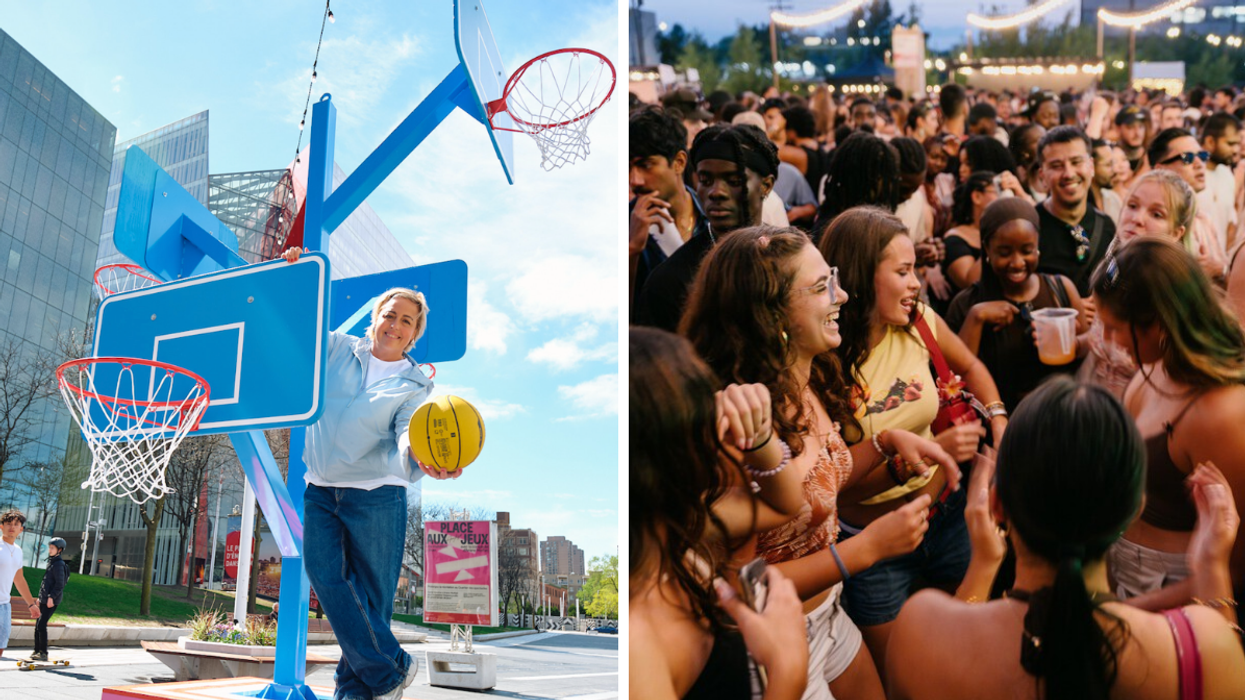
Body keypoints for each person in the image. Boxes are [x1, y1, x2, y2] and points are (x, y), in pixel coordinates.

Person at [681, 226, 956, 699]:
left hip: (831, 614)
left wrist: (888, 444)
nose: (843, 295)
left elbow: (825, 476)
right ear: (770, 315)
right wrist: (865, 550)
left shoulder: (804, 383)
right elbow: (737, 583)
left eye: (832, 277)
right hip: (776, 643)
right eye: (820, 287)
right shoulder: (742, 425)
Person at [886, 377, 1245, 700]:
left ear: (996, 505)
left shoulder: (920, 633)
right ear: (1135, 508)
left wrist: (984, 562)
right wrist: (1213, 569)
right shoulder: (1199, 650)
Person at [817, 207, 1008, 674]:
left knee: (972, 652)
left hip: (948, 517)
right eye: (902, 272)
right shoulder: (823, 360)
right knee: (906, 675)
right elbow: (829, 487)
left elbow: (973, 369)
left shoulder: (920, 322)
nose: (916, 284)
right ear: (862, 277)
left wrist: (999, 422)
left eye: (915, 271)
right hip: (872, 544)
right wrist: (915, 459)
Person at [283, 248, 458, 700]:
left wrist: (422, 458)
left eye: (406, 321)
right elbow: (301, 325)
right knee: (328, 578)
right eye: (389, 314)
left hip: (377, 495)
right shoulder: (338, 348)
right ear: (376, 317)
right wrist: (296, 275)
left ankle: (356, 691)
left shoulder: (416, 384)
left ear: (414, 334)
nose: (394, 325)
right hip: (321, 488)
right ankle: (393, 668)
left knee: (368, 605)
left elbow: (407, 430)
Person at [630, 327, 810, 700]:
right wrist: (788, 673)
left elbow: (784, 506)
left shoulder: (675, 537)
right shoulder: (637, 648)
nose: (721, 405)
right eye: (701, 400)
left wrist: (760, 439)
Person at [1090, 238, 1245, 610]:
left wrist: (1126, 614)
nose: (1107, 341)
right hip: (1122, 575)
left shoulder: (1221, 414)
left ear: (1157, 324)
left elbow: (1236, 568)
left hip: (1177, 595)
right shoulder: (1152, 368)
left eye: (1115, 328)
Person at [946, 198, 1087, 411]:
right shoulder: (967, 305)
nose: (1017, 262)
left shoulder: (1060, 289)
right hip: (1001, 426)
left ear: (1038, 246)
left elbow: (1092, 348)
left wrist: (1073, 342)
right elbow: (951, 379)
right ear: (987, 249)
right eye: (1004, 253)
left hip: (1061, 417)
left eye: (1027, 250)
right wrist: (976, 318)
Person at [635, 123, 778, 332]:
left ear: (766, 185)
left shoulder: (790, 255)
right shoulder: (671, 280)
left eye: (733, 180)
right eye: (705, 180)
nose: (716, 192)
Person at [629, 106, 708, 316]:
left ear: (679, 162)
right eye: (627, 168)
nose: (634, 180)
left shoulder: (712, 215)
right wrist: (631, 250)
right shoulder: (624, 224)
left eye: (645, 165)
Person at [1033, 126, 1116, 296]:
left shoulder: (1107, 226)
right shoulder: (1030, 226)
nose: (1069, 173)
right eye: (1056, 166)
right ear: (1042, 176)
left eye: (1076, 162)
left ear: (1091, 166)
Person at [1149, 127, 1228, 280]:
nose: (1199, 164)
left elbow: (1224, 272)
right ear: (1160, 169)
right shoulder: (1150, 223)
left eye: (1202, 155)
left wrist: (1221, 270)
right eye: (1188, 158)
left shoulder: (1204, 220)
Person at [941, 172, 999, 296]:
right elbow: (969, 283)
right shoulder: (954, 238)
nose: (1003, 197)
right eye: (997, 191)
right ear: (977, 196)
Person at [1198, 112, 1241, 255]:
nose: (1235, 150)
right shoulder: (1191, 174)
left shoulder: (1226, 173)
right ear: (1210, 141)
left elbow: (1230, 224)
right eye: (1230, 144)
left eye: (1237, 144)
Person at [0, 510, 39, 660]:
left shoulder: (18, 551)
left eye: (16, 524)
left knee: (1, 644)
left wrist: (31, 604)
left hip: (4, 605)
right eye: (8, 523)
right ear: (1, 526)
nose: (12, 527)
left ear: (21, 529)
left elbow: (19, 579)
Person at [30, 537, 69, 663]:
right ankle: (37, 651)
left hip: (51, 601)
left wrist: (51, 597)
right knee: (38, 625)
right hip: (44, 599)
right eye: (50, 547)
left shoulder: (58, 564)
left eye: (52, 548)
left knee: (41, 624)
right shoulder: (52, 562)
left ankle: (43, 653)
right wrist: (39, 598)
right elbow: (46, 583)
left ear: (60, 550)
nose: (50, 550)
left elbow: (60, 584)